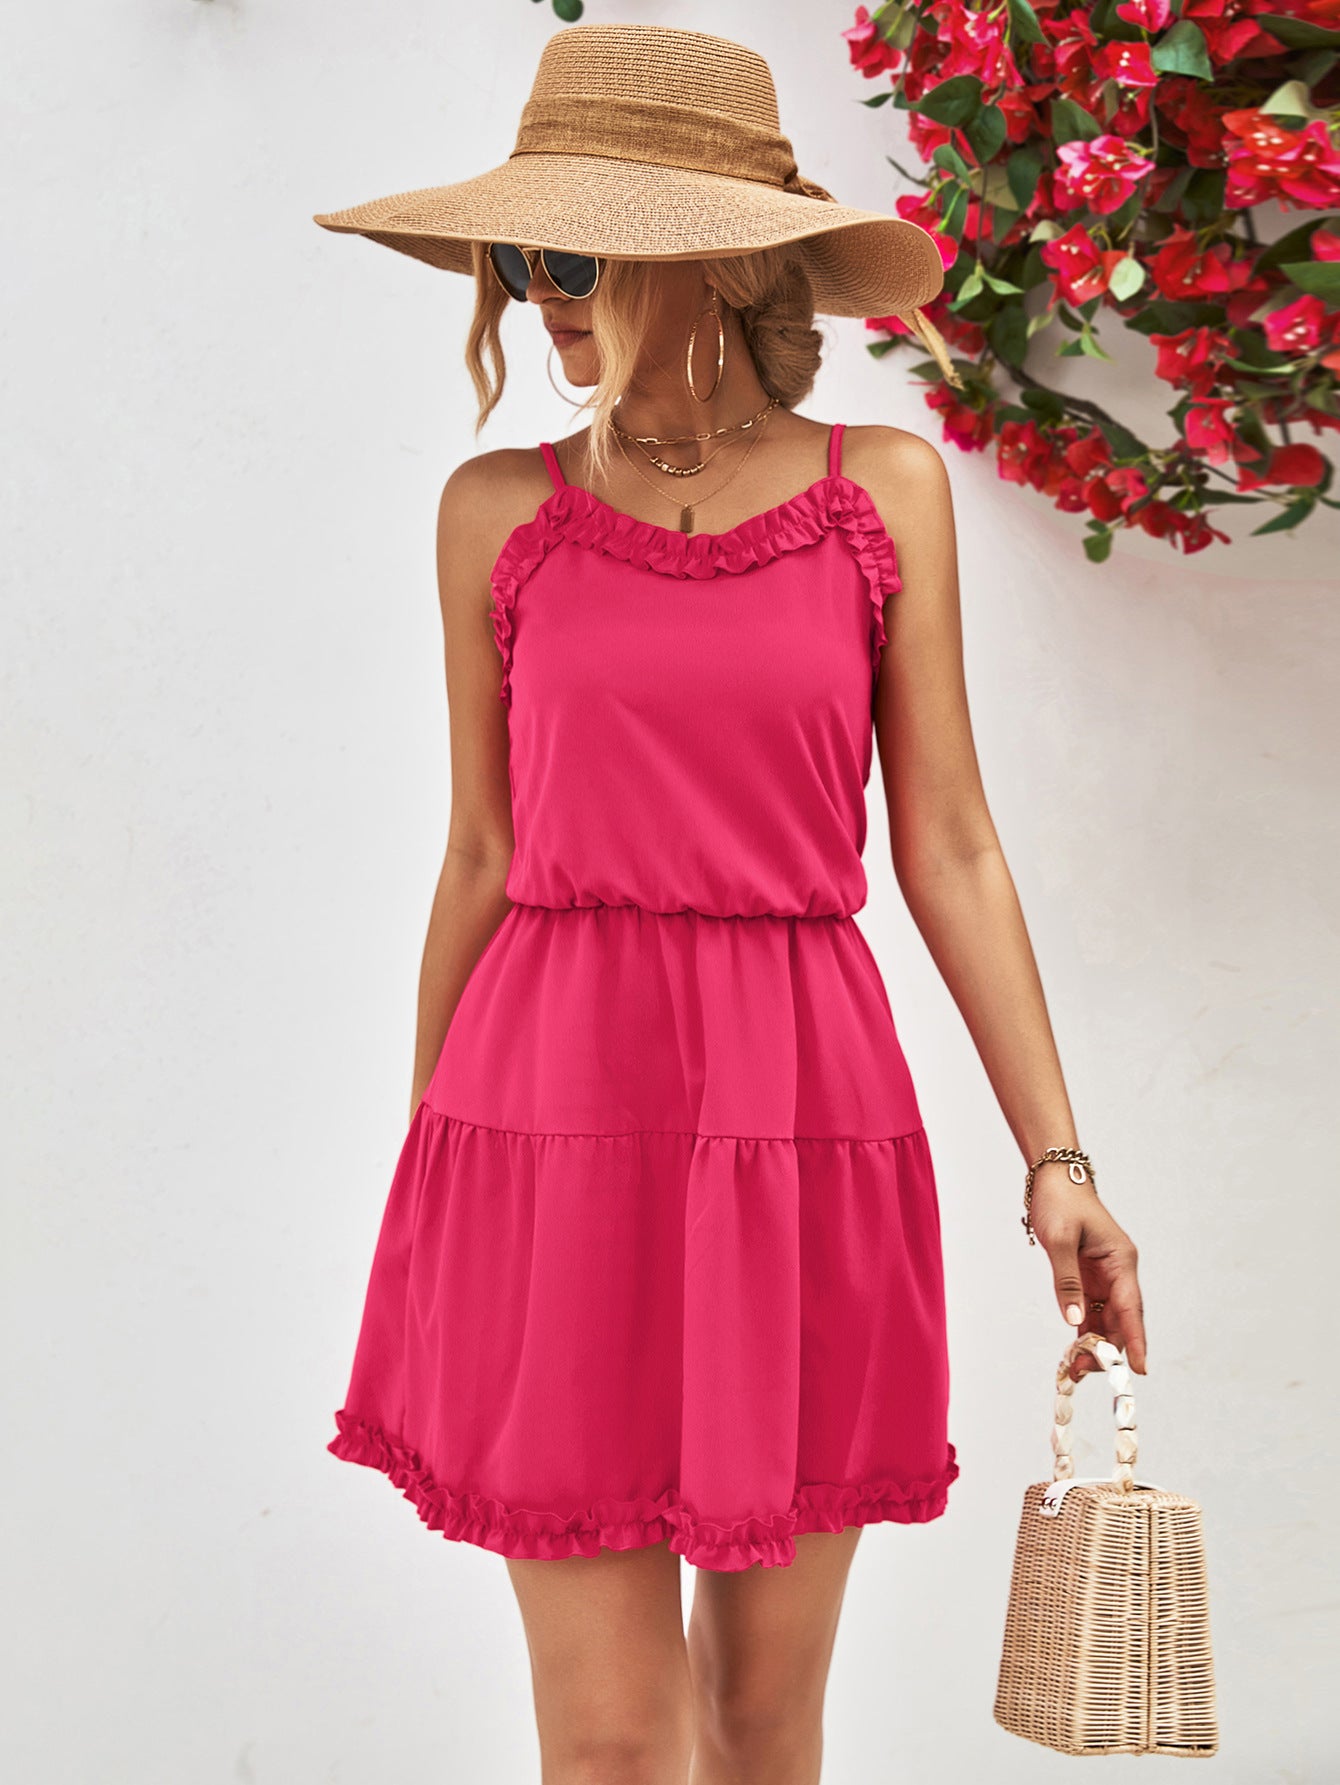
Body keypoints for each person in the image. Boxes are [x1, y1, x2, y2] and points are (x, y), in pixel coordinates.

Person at [312, 21, 1147, 1785]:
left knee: (761, 1720)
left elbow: (951, 844)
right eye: (519, 255)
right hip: (547, 1112)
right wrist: (433, 1162)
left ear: (709, 256)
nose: (534, 293)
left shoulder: (877, 493)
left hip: (799, 1112)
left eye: (571, 254)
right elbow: (478, 854)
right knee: (612, 1741)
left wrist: (1058, 1160)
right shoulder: (496, 513)